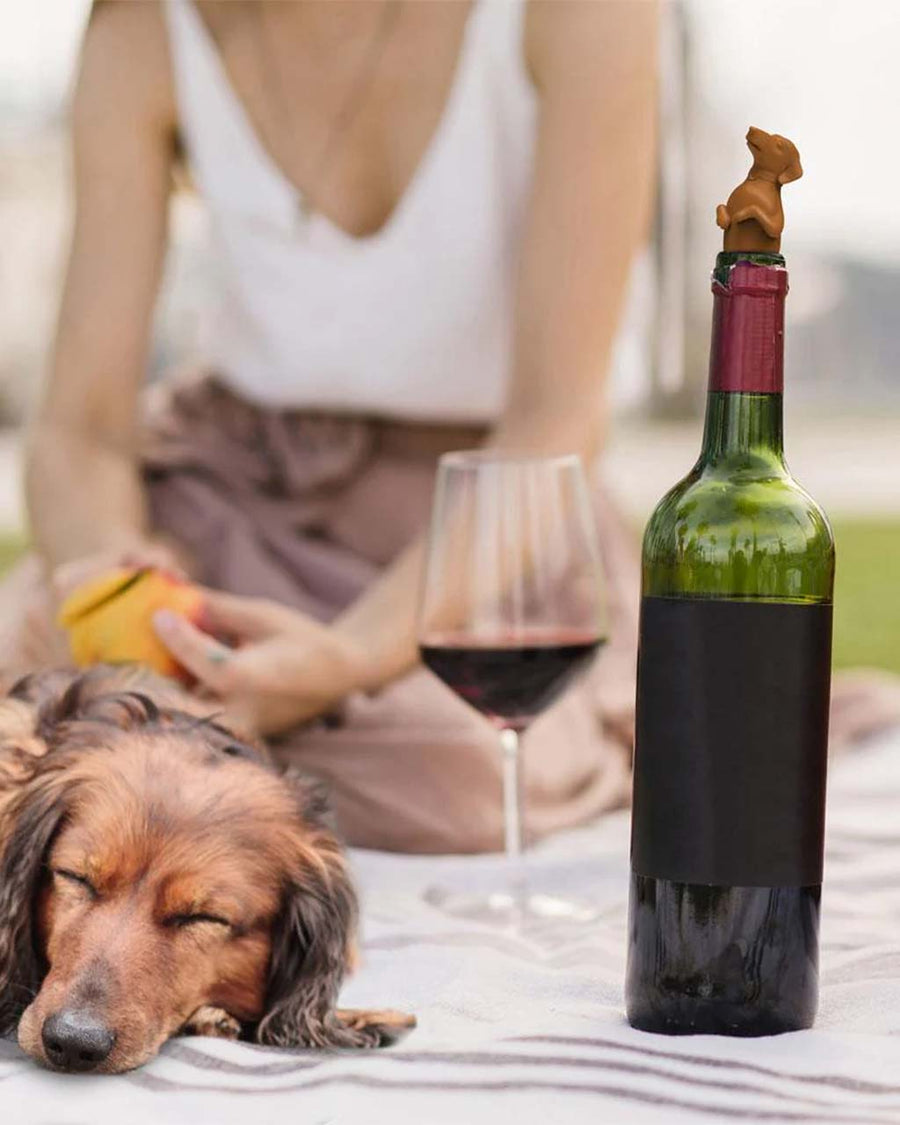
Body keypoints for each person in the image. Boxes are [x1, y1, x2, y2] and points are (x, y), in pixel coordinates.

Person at [9, 0, 658, 852]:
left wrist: (347, 659)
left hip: (480, 528)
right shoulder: (141, 32)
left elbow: (555, 421)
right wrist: (122, 576)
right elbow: (77, 429)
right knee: (37, 701)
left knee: (454, 782)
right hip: (227, 497)